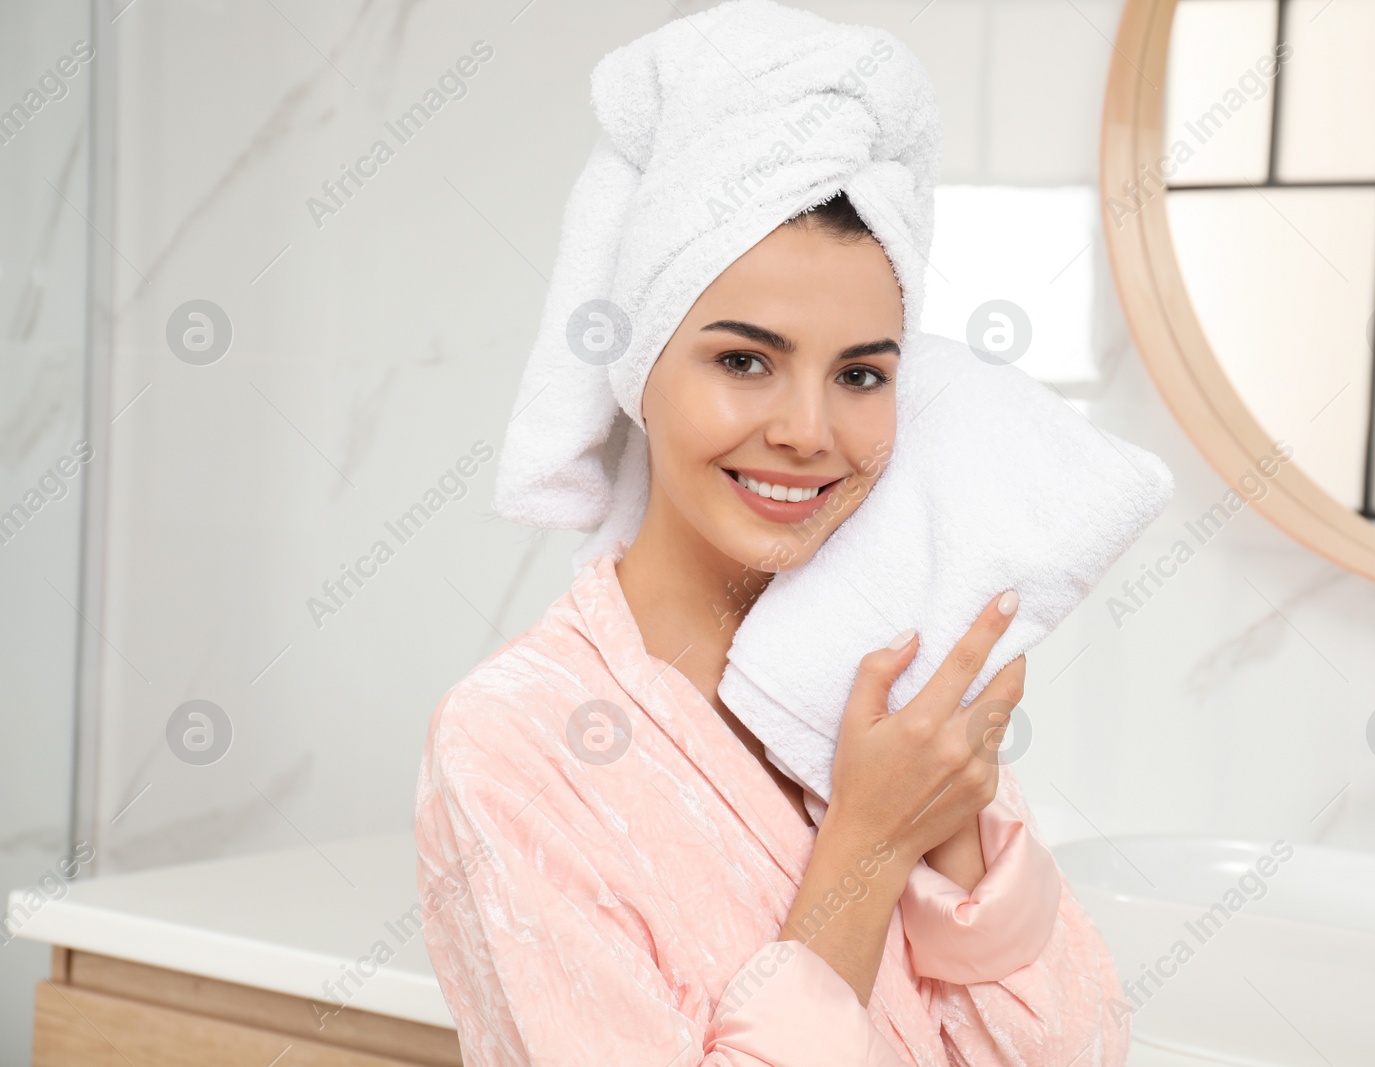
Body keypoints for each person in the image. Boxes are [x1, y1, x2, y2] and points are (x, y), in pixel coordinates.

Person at [414, 189, 1130, 1065]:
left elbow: (1077, 1048)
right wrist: (869, 849)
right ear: (640, 372)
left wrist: (946, 823)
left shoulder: (888, 667)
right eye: (746, 362)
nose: (806, 432)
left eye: (859, 374)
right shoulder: (514, 739)